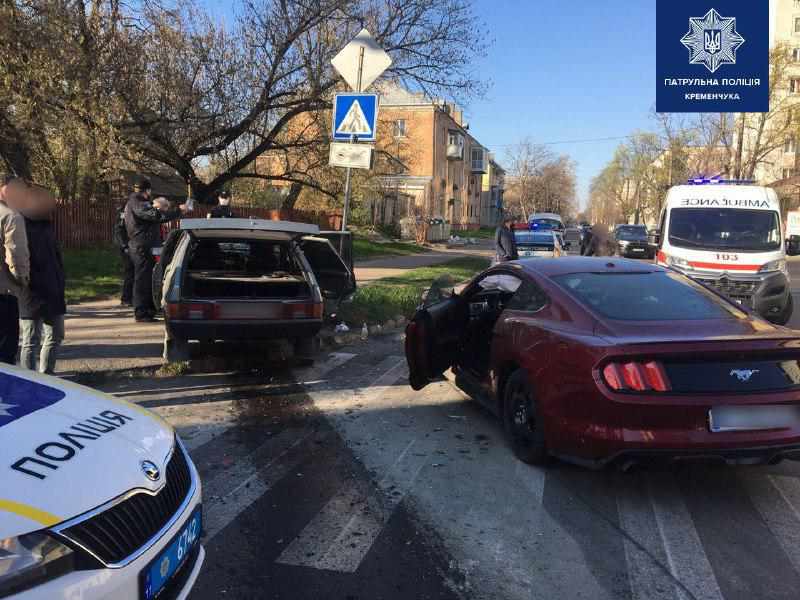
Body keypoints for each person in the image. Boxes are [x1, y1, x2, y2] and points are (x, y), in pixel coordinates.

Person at [18, 186, 65, 374]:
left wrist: (60, 280)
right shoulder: (19, 223)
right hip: (30, 291)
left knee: (56, 335)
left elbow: (55, 256)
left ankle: (47, 375)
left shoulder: (47, 225)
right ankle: (29, 380)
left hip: (53, 289)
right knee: (31, 339)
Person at [124, 178, 185, 322]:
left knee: (148, 278)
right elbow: (156, 215)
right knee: (142, 279)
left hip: (144, 246)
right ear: (147, 191)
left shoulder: (137, 201)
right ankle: (141, 312)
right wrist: (178, 211)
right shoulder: (137, 202)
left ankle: (149, 310)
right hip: (141, 246)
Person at [0, 176, 30, 364]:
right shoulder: (10, 216)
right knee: (5, 353)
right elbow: (16, 255)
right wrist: (22, 280)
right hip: (4, 293)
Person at [112, 203, 134, 306]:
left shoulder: (127, 210)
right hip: (126, 247)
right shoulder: (123, 213)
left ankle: (129, 297)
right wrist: (125, 246)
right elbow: (119, 231)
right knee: (130, 271)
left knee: (132, 272)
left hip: (130, 246)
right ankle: (126, 298)